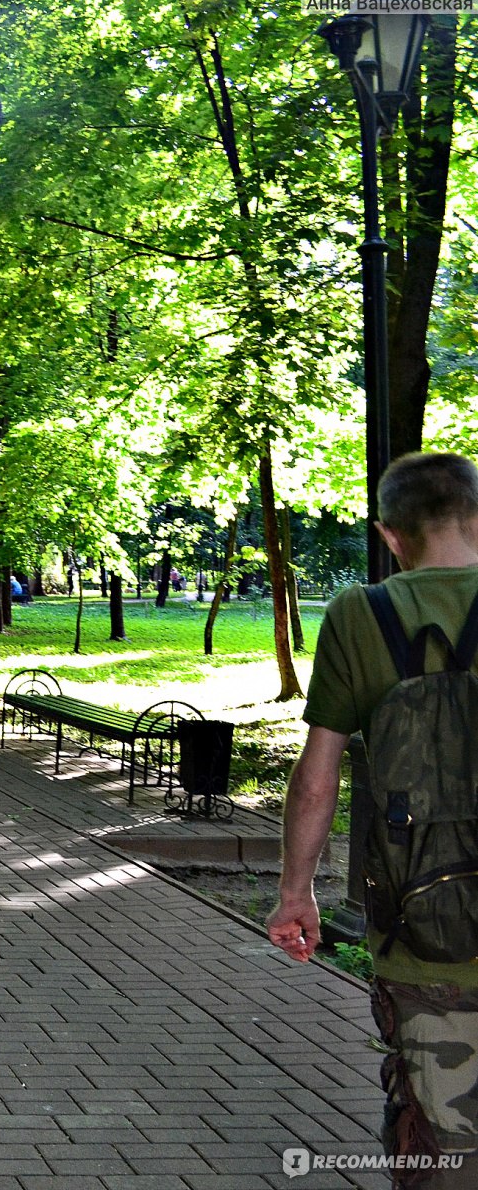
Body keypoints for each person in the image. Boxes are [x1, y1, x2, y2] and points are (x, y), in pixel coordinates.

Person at [267, 452, 478, 1185]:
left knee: (446, 1147)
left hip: (423, 935)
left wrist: (297, 892)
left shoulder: (360, 615)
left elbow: (316, 778)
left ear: (390, 536)